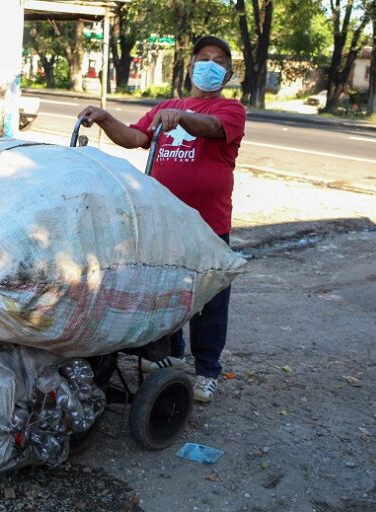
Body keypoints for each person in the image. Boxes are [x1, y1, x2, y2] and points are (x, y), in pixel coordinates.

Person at [76, 35, 245, 402]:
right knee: (165, 290)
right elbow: (135, 137)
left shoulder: (230, 111)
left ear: (228, 73)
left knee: (209, 300)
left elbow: (211, 129)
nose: (209, 65)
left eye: (218, 61)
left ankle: (206, 371)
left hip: (208, 224)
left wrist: (183, 117)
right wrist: (105, 119)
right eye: (203, 58)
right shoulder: (167, 106)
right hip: (163, 220)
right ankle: (169, 355)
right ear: (190, 66)